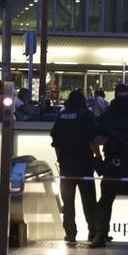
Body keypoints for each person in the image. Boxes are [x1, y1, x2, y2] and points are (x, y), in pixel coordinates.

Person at [90, 83, 128, 249]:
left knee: (110, 201)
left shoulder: (112, 114)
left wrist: (100, 155)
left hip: (120, 160)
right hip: (121, 161)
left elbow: (95, 139)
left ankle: (100, 235)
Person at [50, 89, 98, 243]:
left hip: (66, 166)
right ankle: (92, 232)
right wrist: (98, 157)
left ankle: (70, 234)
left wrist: (60, 159)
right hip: (84, 164)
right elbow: (92, 140)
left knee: (68, 203)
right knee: (89, 201)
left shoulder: (62, 115)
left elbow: (55, 142)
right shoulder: (86, 115)